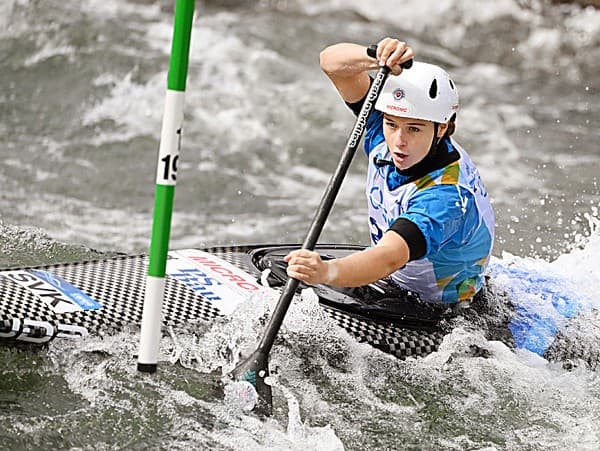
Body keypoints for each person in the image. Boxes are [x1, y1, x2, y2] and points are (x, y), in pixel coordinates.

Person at [284, 38, 495, 304]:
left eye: (414, 129)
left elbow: (388, 257)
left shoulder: (446, 197)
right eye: (391, 124)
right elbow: (331, 63)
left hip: (438, 314)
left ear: (442, 128)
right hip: (394, 281)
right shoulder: (383, 126)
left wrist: (327, 271)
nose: (398, 141)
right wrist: (376, 57)